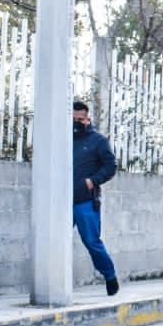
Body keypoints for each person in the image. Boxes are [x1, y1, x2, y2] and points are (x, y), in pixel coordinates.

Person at [71, 100, 119, 295]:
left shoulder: (98, 140)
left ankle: (109, 275)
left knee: (92, 242)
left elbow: (110, 166)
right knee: (55, 241)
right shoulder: (63, 139)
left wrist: (93, 181)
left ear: (87, 118)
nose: (76, 123)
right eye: (73, 119)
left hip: (86, 201)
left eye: (80, 119)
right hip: (61, 202)